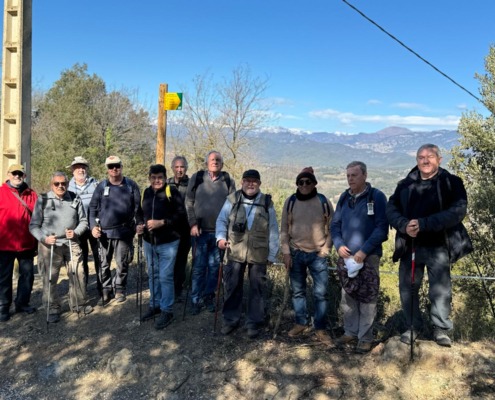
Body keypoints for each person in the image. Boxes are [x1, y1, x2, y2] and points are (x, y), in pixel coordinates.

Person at [386, 144, 472, 347]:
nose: (425, 160)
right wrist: (404, 225)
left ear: (439, 159)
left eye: (430, 156)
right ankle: (413, 327)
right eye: (421, 157)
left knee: (440, 290)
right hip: (410, 246)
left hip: (439, 246)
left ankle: (441, 329)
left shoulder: (452, 182)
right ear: (416, 160)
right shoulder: (405, 184)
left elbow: (458, 211)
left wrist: (424, 224)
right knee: (408, 288)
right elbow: (391, 208)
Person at [330, 161, 388, 353]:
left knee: (368, 297)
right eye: (348, 176)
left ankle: (365, 337)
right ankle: (350, 332)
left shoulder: (376, 197)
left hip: (369, 257)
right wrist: (338, 244)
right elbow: (335, 225)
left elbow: (382, 229)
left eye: (354, 175)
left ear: (365, 175)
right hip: (346, 257)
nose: (350, 179)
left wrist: (364, 251)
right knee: (348, 296)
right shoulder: (344, 197)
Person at [216, 169, 279, 338]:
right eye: (247, 180)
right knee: (232, 285)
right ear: (242, 182)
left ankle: (253, 323)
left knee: (257, 288)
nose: (251, 184)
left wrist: (272, 254)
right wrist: (220, 238)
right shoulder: (232, 199)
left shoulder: (266, 202)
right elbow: (221, 220)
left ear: (259, 184)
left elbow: (273, 229)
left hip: (259, 252)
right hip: (235, 249)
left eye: (254, 181)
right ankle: (230, 320)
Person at [280, 167, 334, 345]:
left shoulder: (323, 201)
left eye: (307, 182)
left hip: (317, 255)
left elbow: (332, 228)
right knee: (298, 292)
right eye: (300, 182)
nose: (304, 185)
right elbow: (284, 229)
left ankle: (320, 328)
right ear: (297, 184)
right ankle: (300, 323)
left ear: (314, 183)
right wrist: (286, 252)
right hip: (296, 253)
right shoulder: (291, 202)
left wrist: (325, 249)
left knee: (321, 294)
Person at [29, 172, 90, 322]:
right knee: (50, 277)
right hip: (49, 245)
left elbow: (84, 221)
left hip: (71, 242)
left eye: (63, 183)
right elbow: (34, 226)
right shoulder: (43, 199)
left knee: (78, 273)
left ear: (68, 184)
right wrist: (44, 238)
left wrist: (75, 232)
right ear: (52, 185)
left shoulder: (75, 198)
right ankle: (52, 308)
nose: (60, 186)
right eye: (57, 183)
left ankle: (78, 304)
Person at [185, 150, 235, 315]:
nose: (215, 161)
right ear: (207, 162)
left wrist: (228, 231)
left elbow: (233, 206)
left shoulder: (227, 180)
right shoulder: (197, 177)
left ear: (222, 163)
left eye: (218, 159)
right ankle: (195, 299)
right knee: (198, 268)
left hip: (219, 234)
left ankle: (208, 297)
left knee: (214, 269)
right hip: (199, 232)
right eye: (212, 159)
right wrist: (192, 223)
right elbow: (189, 201)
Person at [137, 164, 185, 330]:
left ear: (165, 178)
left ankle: (167, 310)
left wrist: (162, 222)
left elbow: (181, 216)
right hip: (149, 241)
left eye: (160, 178)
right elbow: (139, 212)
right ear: (149, 178)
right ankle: (155, 305)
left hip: (168, 242)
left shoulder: (172, 192)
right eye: (154, 177)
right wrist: (139, 224)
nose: (157, 180)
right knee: (153, 274)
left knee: (165, 276)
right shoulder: (146, 192)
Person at [89, 156, 141, 304]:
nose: (114, 169)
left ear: (121, 166)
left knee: (122, 263)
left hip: (124, 232)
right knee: (103, 264)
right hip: (104, 233)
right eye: (111, 166)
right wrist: (93, 227)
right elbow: (92, 208)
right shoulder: (101, 186)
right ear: (107, 169)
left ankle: (119, 289)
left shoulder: (131, 185)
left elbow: (138, 209)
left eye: (117, 166)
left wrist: (139, 224)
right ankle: (106, 290)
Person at [0, 164, 38, 322]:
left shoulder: (32, 194)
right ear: (8, 175)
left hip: (26, 243)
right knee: (4, 277)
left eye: (20, 174)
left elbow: (39, 217)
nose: (17, 176)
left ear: (24, 176)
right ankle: (3, 307)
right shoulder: (1, 192)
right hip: (4, 244)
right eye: (14, 173)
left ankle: (22, 303)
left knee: (27, 276)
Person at [67, 156, 100, 291]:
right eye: (77, 167)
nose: (81, 170)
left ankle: (102, 288)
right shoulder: (66, 186)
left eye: (83, 167)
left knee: (99, 257)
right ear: (72, 170)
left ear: (87, 169)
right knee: (81, 258)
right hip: (78, 229)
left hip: (94, 227)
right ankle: (82, 288)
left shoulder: (96, 184)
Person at [166, 156, 191, 301]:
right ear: (172, 168)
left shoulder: (191, 185)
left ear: (186, 168)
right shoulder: (166, 184)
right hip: (169, 229)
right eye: (176, 167)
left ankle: (178, 290)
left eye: (182, 167)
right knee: (169, 260)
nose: (179, 170)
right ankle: (167, 289)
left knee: (181, 260)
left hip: (186, 230)